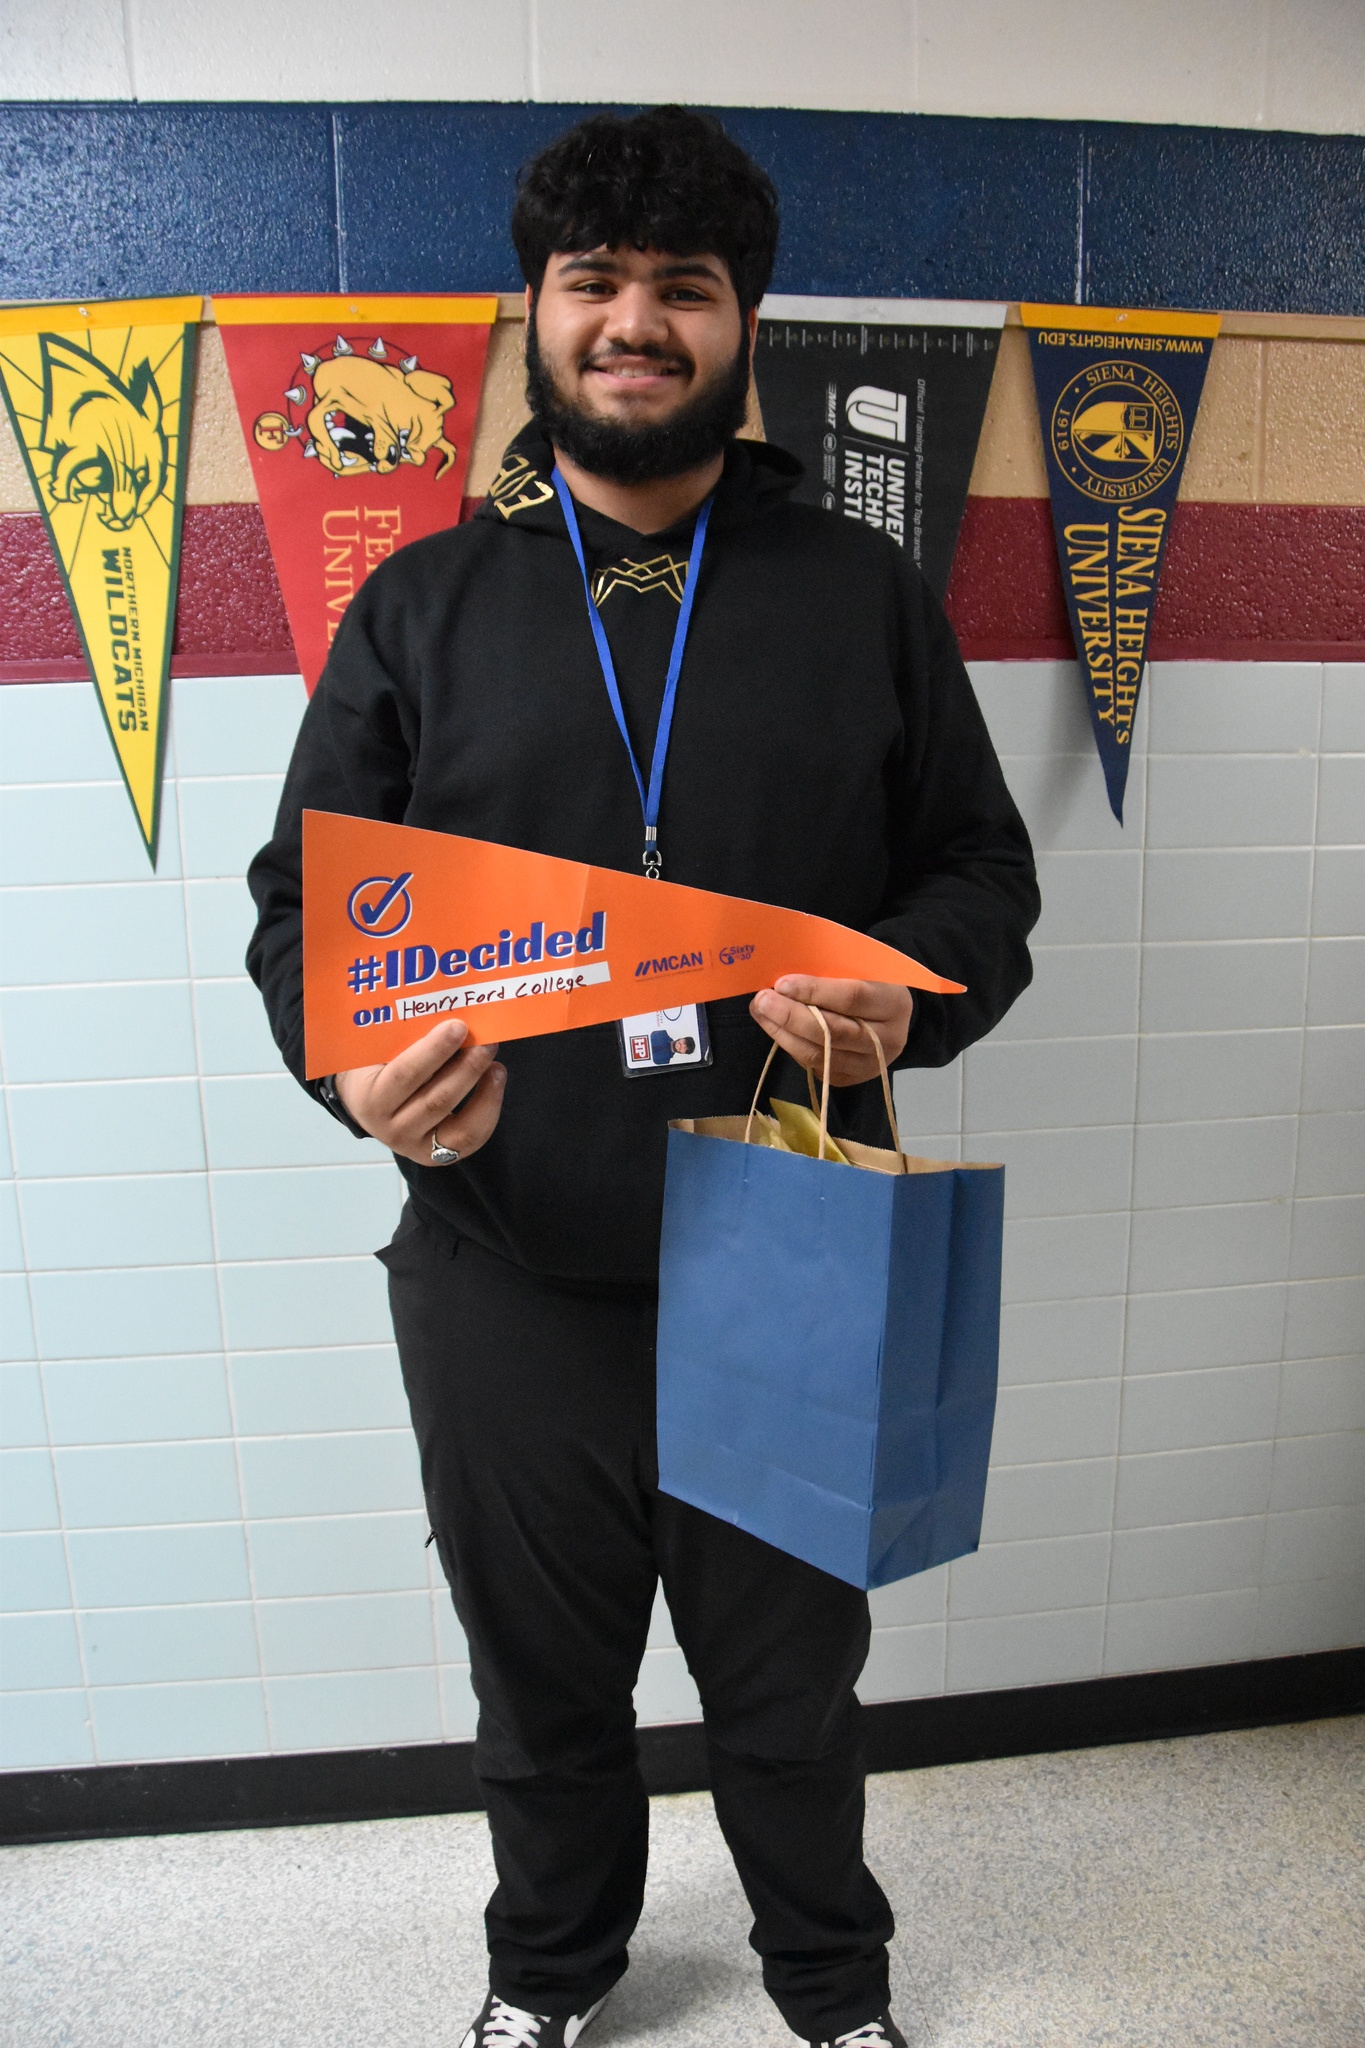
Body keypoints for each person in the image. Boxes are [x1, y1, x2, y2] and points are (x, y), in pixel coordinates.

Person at [247, 105, 1039, 2048]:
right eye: (591, 282)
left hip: (791, 1230)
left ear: (740, 324)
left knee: (791, 1688)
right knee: (541, 1687)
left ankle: (831, 1992)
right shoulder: (421, 606)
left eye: (682, 288)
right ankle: (548, 1977)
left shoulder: (859, 592)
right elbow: (303, 914)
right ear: (531, 315)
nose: (632, 322)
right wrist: (355, 1075)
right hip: (504, 1254)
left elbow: (976, 879)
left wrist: (905, 999)